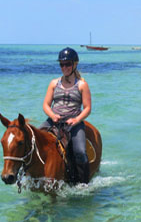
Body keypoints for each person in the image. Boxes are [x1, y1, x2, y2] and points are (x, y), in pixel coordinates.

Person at [40, 47, 91, 184]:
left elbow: (87, 109)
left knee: (80, 152)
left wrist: (76, 119)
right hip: (54, 120)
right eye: (62, 64)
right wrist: (52, 115)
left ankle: (84, 184)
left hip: (74, 123)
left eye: (67, 64)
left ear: (75, 64)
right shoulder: (53, 83)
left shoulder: (82, 85)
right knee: (35, 139)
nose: (64, 67)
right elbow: (46, 104)